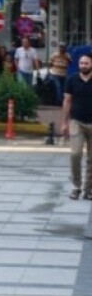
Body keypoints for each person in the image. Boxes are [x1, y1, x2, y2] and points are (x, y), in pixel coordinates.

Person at [60, 53, 92, 200]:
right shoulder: (72, 79)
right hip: (76, 122)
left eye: (86, 63)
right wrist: (64, 122)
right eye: (81, 63)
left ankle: (89, 189)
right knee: (75, 154)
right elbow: (67, 101)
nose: (83, 66)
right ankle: (76, 187)